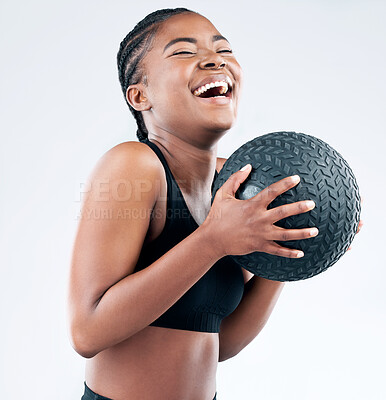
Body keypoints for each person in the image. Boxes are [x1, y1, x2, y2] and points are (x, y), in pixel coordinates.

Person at [67, 8, 360, 400]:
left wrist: (289, 253)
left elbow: (223, 341)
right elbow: (86, 332)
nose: (213, 59)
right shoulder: (135, 165)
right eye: (184, 52)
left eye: (223, 49)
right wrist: (213, 240)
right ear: (141, 96)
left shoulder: (238, 183)